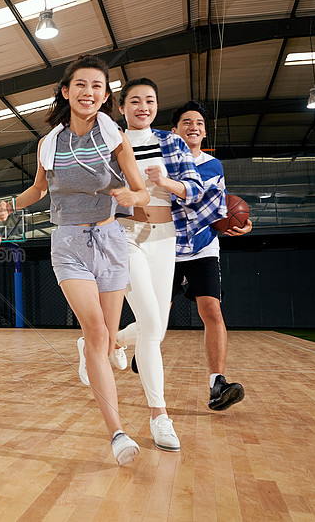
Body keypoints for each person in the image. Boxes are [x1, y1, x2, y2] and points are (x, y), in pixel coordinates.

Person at [0, 55, 150, 465]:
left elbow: (142, 192)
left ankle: (92, 346)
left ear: (105, 95)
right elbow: (38, 190)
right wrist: (11, 204)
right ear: (66, 92)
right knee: (98, 332)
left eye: (98, 86)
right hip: (68, 243)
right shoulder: (50, 143)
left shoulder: (114, 135)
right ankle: (117, 433)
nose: (89, 93)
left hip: (112, 241)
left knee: (107, 337)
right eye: (81, 85)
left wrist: (134, 197)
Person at [107, 79, 205, 453]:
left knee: (157, 327)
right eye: (135, 101)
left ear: (156, 106)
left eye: (149, 100)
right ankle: (159, 415)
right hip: (124, 234)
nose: (142, 106)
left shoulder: (172, 142)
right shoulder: (113, 143)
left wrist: (167, 182)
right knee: (150, 323)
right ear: (121, 107)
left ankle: (112, 339)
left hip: (165, 238)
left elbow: (194, 190)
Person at [171, 101, 250, 410]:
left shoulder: (214, 166)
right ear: (174, 130)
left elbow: (222, 208)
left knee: (212, 311)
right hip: (169, 246)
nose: (195, 126)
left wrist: (242, 221)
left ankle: (218, 384)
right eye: (187, 121)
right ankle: (131, 346)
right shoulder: (165, 164)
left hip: (205, 246)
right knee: (156, 316)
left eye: (200, 123)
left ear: (204, 131)